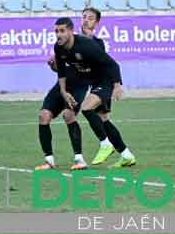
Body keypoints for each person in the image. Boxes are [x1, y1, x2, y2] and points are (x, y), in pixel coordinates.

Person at [49, 16, 136, 168]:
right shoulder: (58, 47)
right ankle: (126, 155)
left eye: (62, 31)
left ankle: (105, 144)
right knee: (103, 120)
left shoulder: (86, 45)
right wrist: (63, 91)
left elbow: (112, 64)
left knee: (87, 108)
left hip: (106, 80)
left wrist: (117, 85)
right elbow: (62, 71)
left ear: (71, 31)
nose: (58, 34)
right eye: (56, 31)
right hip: (94, 82)